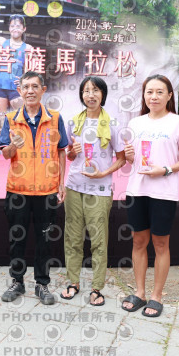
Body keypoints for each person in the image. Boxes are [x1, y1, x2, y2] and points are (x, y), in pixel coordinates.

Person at [121, 75, 179, 317]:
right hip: (137, 190)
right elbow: (133, 161)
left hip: (164, 192)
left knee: (161, 243)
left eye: (159, 92)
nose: (154, 97)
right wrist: (130, 156)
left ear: (169, 95)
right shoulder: (135, 123)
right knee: (138, 242)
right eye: (149, 92)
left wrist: (165, 169)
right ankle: (140, 292)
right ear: (144, 95)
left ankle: (157, 295)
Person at [0, 71, 68, 305]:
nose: (30, 91)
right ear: (19, 91)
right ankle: (17, 281)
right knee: (17, 238)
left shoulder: (55, 118)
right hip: (18, 190)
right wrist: (13, 146)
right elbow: (5, 153)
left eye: (35, 86)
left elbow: (61, 151)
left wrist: (61, 183)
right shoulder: (11, 118)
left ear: (43, 90)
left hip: (47, 190)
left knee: (44, 240)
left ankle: (42, 284)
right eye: (25, 87)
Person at [60, 77, 126, 306]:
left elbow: (122, 159)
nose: (91, 95)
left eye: (95, 90)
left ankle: (97, 287)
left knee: (98, 240)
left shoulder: (113, 123)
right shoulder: (73, 122)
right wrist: (72, 152)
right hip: (74, 187)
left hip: (99, 189)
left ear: (103, 95)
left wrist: (103, 173)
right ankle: (73, 282)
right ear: (81, 95)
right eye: (86, 91)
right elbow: (69, 155)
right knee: (72, 238)